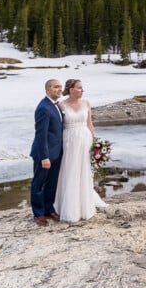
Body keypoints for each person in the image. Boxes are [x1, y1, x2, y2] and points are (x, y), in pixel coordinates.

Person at [54, 78, 107, 222]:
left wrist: (96, 144)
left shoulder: (86, 103)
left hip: (85, 139)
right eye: (79, 88)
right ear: (70, 89)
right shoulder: (60, 104)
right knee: (70, 170)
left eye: (82, 88)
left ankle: (85, 206)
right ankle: (69, 208)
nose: (82, 90)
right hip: (69, 141)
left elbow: (90, 123)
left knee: (84, 171)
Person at [29, 79, 64, 226]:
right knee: (39, 184)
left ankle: (49, 209)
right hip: (44, 154)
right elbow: (41, 134)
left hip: (56, 152)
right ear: (48, 90)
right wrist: (44, 156)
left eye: (60, 86)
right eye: (56, 87)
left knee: (51, 183)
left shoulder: (55, 105)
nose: (60, 89)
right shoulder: (43, 107)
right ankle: (38, 213)